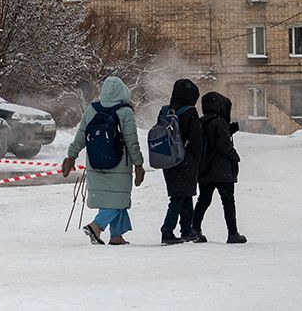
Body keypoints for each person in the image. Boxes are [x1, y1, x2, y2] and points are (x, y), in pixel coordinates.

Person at [62, 76, 145, 246]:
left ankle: (116, 236)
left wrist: (71, 156)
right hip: (119, 165)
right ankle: (96, 226)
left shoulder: (91, 109)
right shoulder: (125, 112)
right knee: (117, 198)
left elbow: (80, 136)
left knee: (109, 197)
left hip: (95, 162)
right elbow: (131, 142)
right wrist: (138, 164)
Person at [193, 90, 247, 244]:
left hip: (205, 169)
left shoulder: (202, 120)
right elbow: (222, 144)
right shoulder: (219, 122)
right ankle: (233, 233)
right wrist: (234, 156)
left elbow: (210, 138)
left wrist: (230, 130)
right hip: (222, 170)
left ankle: (195, 228)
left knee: (203, 200)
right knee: (228, 202)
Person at [160, 78, 203, 244]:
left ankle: (186, 230)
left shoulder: (165, 111)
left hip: (168, 159)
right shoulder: (190, 111)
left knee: (184, 194)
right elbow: (196, 139)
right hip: (185, 160)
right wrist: (196, 160)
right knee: (179, 197)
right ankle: (167, 231)